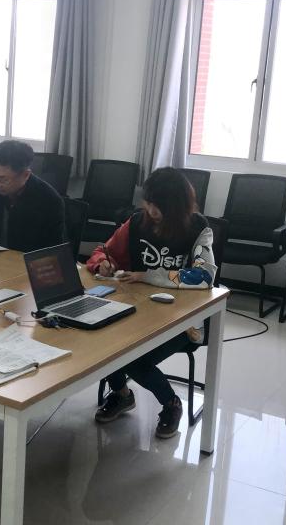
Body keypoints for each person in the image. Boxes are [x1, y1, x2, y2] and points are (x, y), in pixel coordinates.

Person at [86, 167, 217, 439]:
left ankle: (171, 403)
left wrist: (148, 275)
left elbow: (204, 276)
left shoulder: (198, 228)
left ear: (177, 206)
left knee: (133, 359)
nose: (151, 210)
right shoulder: (137, 222)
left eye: (159, 205)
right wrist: (103, 264)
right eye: (148, 202)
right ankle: (122, 394)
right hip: (137, 311)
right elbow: (103, 251)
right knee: (102, 342)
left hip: (182, 320)